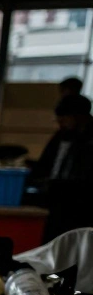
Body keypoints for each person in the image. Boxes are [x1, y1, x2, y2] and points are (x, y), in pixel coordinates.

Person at [34, 94, 93, 240]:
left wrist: (54, 185)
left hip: (80, 205)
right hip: (55, 199)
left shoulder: (88, 141)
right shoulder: (62, 135)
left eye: (64, 120)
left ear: (80, 117)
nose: (60, 124)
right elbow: (45, 164)